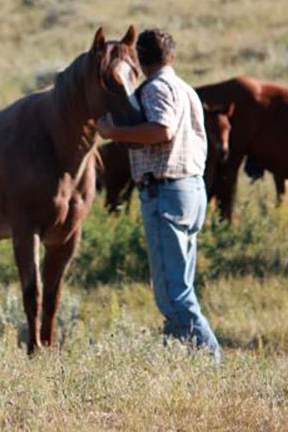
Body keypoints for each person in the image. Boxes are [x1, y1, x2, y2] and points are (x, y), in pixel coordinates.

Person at [95, 28, 220, 359]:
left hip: (166, 192)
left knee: (172, 294)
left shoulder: (156, 89)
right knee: (178, 287)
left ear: (140, 59)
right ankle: (178, 359)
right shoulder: (186, 90)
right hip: (190, 189)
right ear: (171, 56)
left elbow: (162, 129)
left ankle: (210, 361)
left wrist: (114, 132)